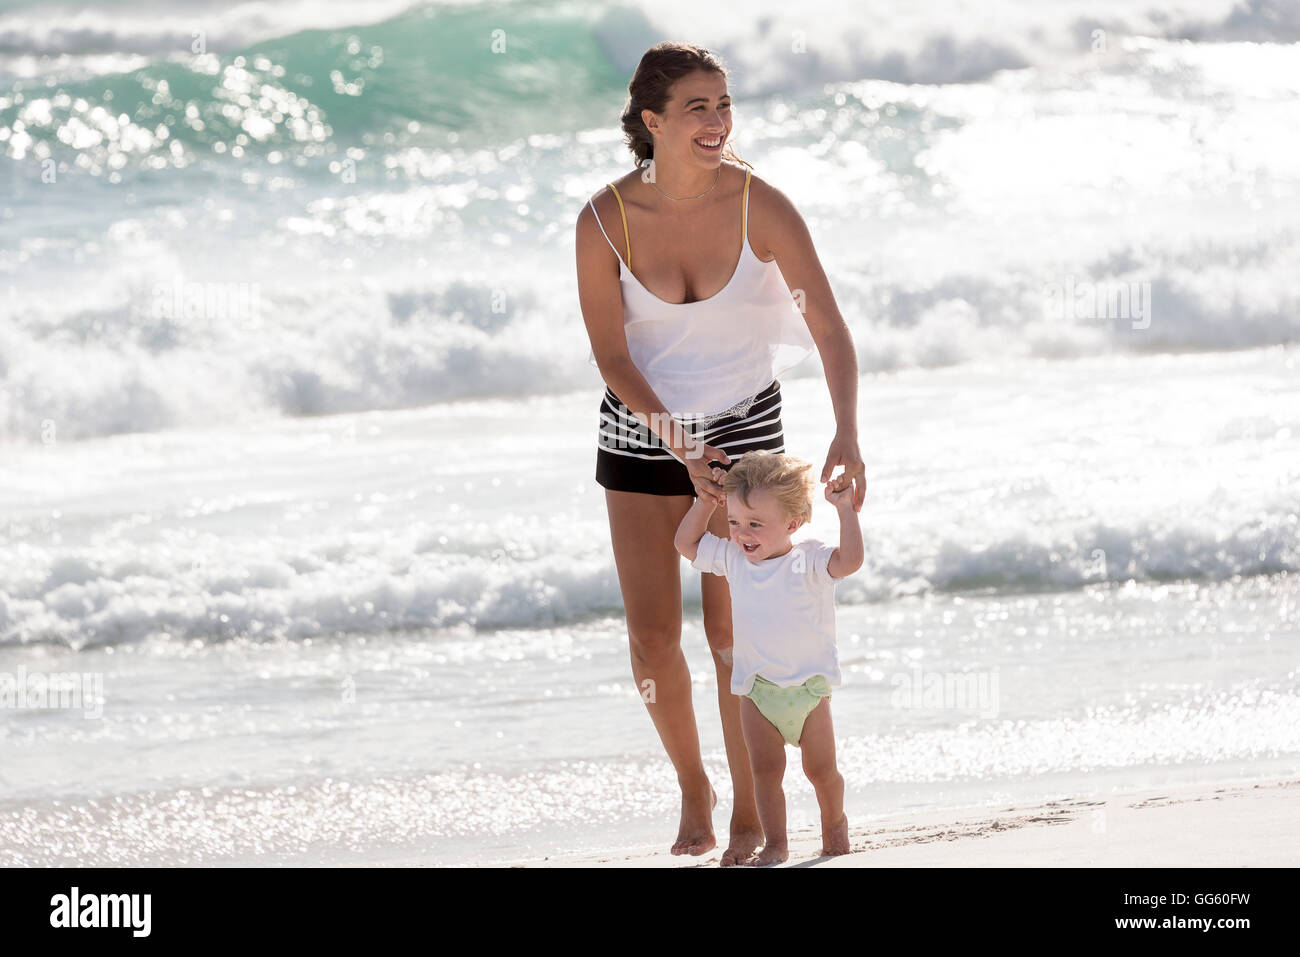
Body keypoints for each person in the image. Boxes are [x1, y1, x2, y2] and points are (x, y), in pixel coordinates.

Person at [574, 41, 866, 866]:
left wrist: (845, 427)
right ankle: (693, 786)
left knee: (737, 634)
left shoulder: (759, 205)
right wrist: (673, 439)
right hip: (640, 431)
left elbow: (829, 327)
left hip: (745, 430)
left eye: (724, 104)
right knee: (653, 636)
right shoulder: (603, 220)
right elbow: (613, 358)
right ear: (652, 121)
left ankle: (749, 811)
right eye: (697, 107)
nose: (717, 121)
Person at [674, 451, 861, 865]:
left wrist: (846, 512)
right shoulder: (734, 560)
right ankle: (776, 843)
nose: (743, 533)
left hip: (809, 692)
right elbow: (686, 543)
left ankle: (835, 826)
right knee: (764, 775)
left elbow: (850, 562)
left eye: (755, 524)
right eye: (736, 522)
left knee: (822, 773)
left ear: (793, 523)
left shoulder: (809, 559)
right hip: (758, 693)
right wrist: (705, 503)